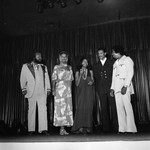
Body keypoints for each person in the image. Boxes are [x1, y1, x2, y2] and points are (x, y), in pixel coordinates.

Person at [20, 52, 51, 135]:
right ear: (33, 57)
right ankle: (31, 130)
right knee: (31, 110)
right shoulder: (26, 66)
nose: (40, 57)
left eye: (40, 56)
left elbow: (47, 78)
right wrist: (23, 88)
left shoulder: (44, 67)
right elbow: (22, 77)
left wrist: (48, 88)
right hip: (31, 91)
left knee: (43, 110)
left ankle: (44, 129)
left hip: (42, 91)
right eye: (38, 55)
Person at [110, 45, 137, 134]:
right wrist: (112, 88)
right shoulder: (115, 63)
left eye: (114, 52)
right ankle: (122, 129)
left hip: (124, 86)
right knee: (119, 109)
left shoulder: (127, 60)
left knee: (127, 107)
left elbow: (130, 73)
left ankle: (131, 129)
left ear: (119, 52)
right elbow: (114, 77)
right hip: (117, 87)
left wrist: (125, 86)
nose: (112, 54)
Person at [93, 48, 118, 133]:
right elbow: (96, 78)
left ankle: (117, 127)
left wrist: (114, 87)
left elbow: (115, 76)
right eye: (98, 53)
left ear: (105, 53)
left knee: (114, 108)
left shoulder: (111, 62)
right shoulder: (96, 65)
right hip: (101, 89)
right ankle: (106, 129)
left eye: (101, 53)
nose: (99, 55)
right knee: (103, 109)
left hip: (111, 88)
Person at [52, 51, 74, 135]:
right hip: (59, 90)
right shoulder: (56, 67)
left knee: (67, 109)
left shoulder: (70, 67)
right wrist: (54, 90)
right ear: (59, 58)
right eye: (62, 57)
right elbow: (54, 79)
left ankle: (64, 128)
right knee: (60, 109)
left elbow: (71, 79)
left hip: (68, 91)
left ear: (67, 58)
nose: (64, 58)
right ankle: (61, 128)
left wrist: (70, 90)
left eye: (65, 57)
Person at [71, 58, 94, 134]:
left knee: (88, 108)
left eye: (87, 61)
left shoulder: (90, 71)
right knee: (80, 108)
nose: (85, 62)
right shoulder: (77, 72)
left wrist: (91, 82)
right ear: (81, 63)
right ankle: (80, 127)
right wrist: (81, 75)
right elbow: (77, 84)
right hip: (81, 92)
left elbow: (93, 80)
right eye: (84, 61)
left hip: (89, 91)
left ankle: (88, 127)